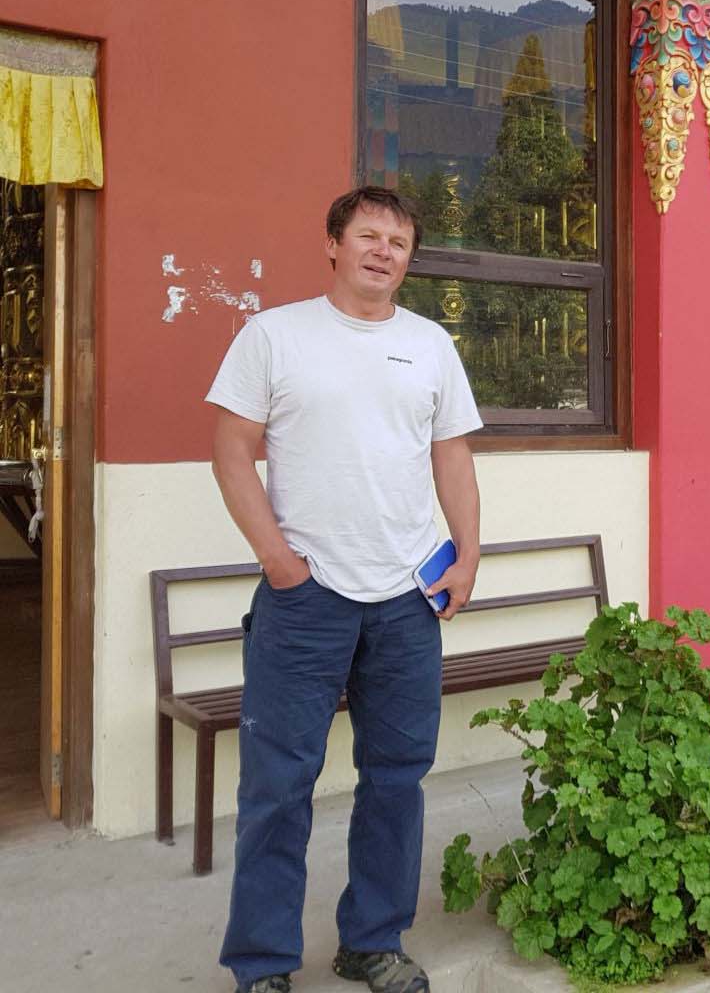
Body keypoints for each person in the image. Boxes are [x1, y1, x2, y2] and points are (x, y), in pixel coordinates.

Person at [207, 187, 482, 993]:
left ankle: (372, 939)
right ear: (333, 244)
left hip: (406, 600)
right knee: (278, 787)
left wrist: (466, 555)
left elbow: (454, 458)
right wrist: (278, 560)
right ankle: (262, 963)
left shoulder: (430, 344)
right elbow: (231, 450)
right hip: (307, 600)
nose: (383, 251)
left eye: (399, 242)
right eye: (368, 236)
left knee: (397, 778)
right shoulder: (275, 335)